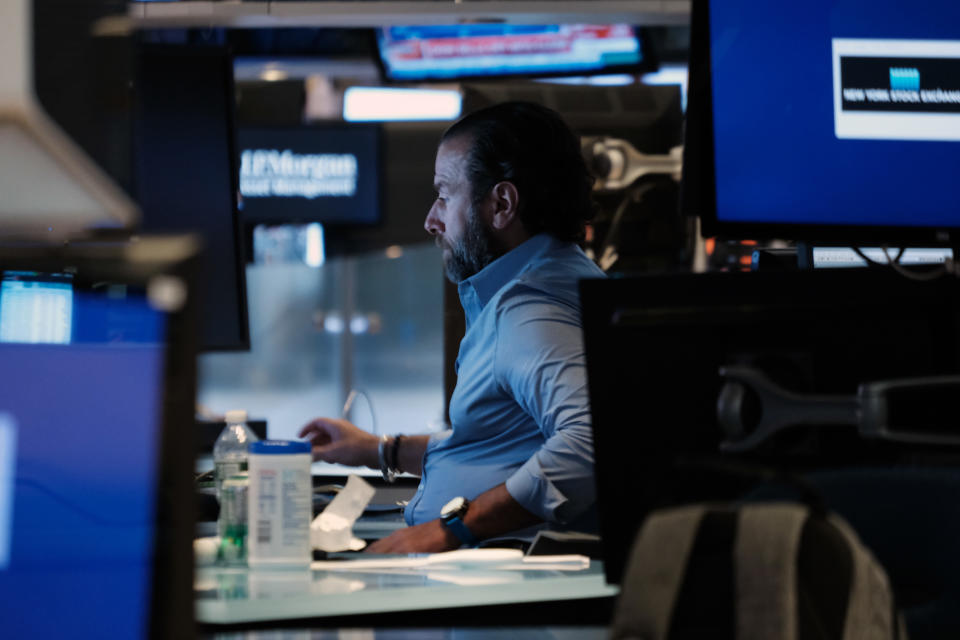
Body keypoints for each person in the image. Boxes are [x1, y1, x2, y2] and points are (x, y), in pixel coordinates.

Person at [299, 101, 605, 553]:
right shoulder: (560, 275)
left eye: (444, 195)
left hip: (489, 580)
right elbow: (499, 446)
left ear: (501, 203)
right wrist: (378, 450)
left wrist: (450, 530)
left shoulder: (529, 312)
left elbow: (591, 442)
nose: (431, 220)